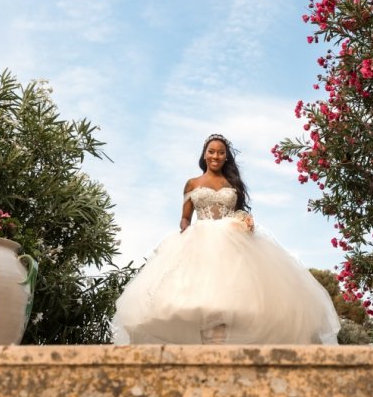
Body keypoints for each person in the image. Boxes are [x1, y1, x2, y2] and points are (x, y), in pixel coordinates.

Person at [112, 133, 340, 345]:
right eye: (212, 151)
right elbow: (185, 217)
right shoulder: (192, 183)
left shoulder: (232, 184)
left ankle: (222, 342)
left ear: (226, 157)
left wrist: (245, 221)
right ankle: (203, 342)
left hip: (231, 238)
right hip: (200, 236)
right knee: (191, 294)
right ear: (204, 154)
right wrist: (185, 233)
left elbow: (238, 213)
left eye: (221, 152)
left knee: (235, 294)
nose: (216, 156)